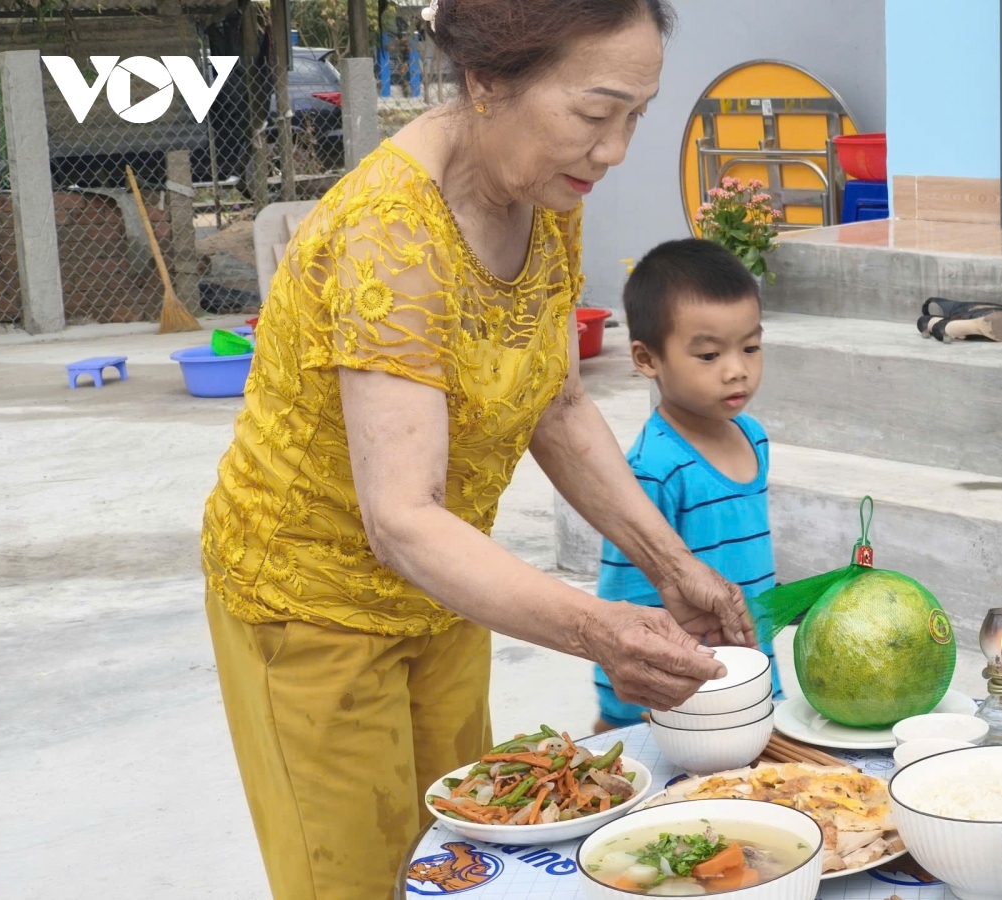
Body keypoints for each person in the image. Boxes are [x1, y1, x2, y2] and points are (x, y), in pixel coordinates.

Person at [198, 3, 755, 899]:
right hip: (311, 609)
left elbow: (558, 402)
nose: (612, 151)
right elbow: (400, 516)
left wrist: (669, 562)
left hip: (449, 587)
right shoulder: (390, 233)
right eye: (593, 112)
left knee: (469, 866)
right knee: (358, 881)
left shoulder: (543, 190)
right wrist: (598, 628)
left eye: (635, 117)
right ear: (490, 80)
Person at [594, 239, 778, 731]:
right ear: (647, 358)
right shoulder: (653, 469)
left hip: (754, 685)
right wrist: (622, 720)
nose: (736, 368)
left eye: (751, 347)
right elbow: (625, 602)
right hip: (680, 705)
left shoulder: (752, 437)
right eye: (710, 354)